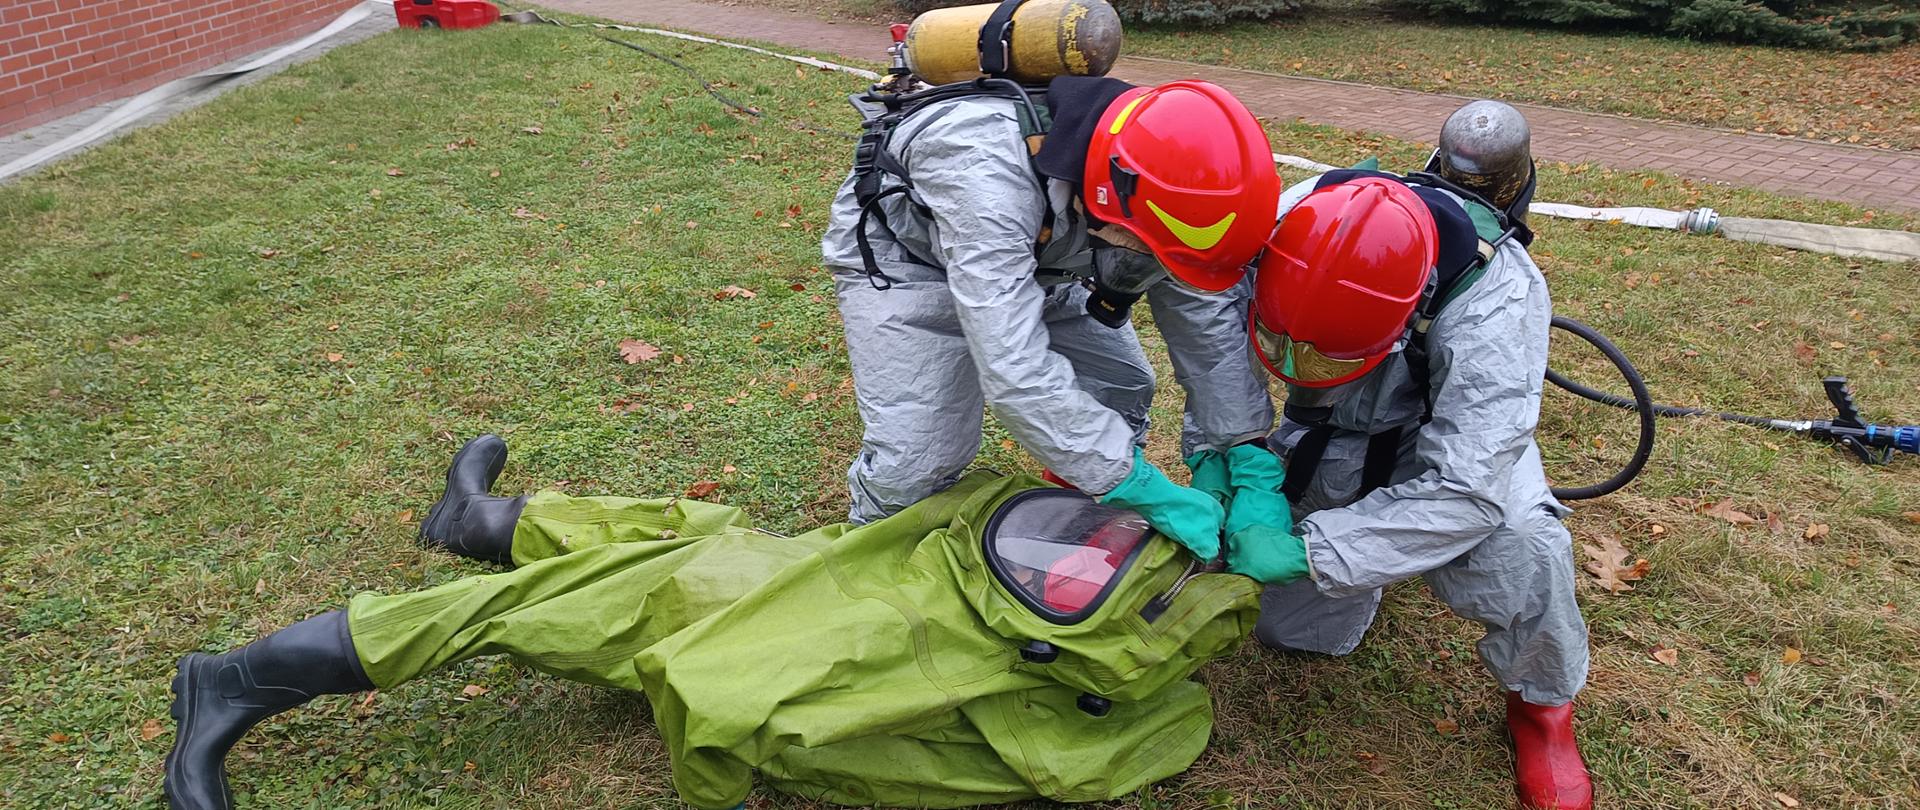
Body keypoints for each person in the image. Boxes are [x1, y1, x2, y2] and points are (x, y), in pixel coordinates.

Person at [164, 436, 1262, 810]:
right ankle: (240, 678)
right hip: (757, 597)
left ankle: (478, 527)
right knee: (666, 550)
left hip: (749, 602)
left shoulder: (1001, 661)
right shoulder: (1122, 700)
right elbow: (712, 699)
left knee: (640, 565)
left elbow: (710, 698)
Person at [818, 76, 1289, 574]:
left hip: (1050, 254)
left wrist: (1246, 451)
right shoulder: (982, 166)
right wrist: (1139, 485)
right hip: (909, 259)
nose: (1148, 273)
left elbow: (1203, 327)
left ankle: (1074, 516)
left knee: (1121, 383)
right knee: (917, 454)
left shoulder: (1167, 185)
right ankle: (870, 565)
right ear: (1104, 199)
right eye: (1142, 257)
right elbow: (1013, 368)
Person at [1239, 172, 1594, 810]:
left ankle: (1543, 709)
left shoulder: (1497, 299)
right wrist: (1237, 456)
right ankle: (1374, 562)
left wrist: (1314, 553)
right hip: (1331, 434)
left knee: (1527, 550)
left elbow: (1468, 485)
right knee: (1293, 634)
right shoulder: (1292, 224)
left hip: (1450, 446)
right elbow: (1212, 338)